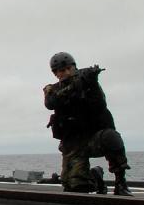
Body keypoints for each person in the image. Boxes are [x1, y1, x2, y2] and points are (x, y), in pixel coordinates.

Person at [43, 52, 132, 196]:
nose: (65, 72)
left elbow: (100, 105)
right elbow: (50, 103)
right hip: (73, 144)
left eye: (68, 68)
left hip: (94, 137)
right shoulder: (52, 89)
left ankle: (120, 182)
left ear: (73, 67)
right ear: (55, 74)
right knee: (76, 187)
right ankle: (96, 178)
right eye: (61, 70)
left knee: (111, 137)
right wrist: (75, 86)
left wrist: (91, 83)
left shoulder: (88, 82)